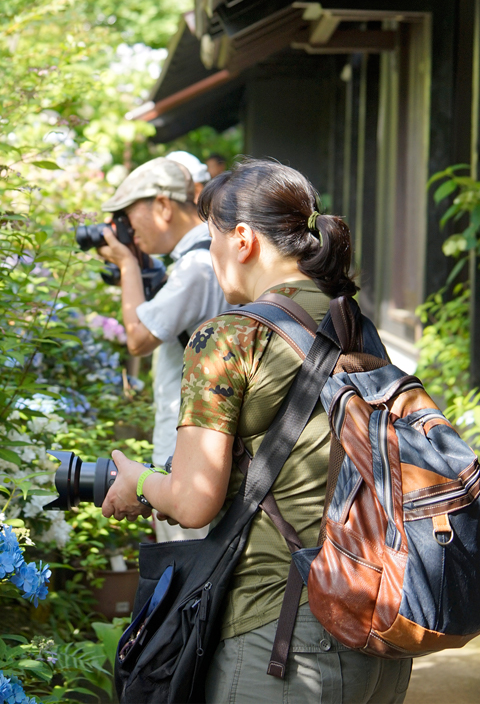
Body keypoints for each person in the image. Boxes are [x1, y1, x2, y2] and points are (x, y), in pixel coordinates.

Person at [101, 158, 413, 703]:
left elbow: (193, 502)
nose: (210, 251)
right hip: (376, 631)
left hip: (283, 640)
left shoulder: (227, 338)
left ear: (242, 239)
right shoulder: (354, 323)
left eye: (213, 237)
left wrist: (139, 481)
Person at [98, 157, 228, 542]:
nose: (125, 228)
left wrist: (127, 265)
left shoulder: (197, 266)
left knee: (185, 559)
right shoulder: (202, 257)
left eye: (127, 215)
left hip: (188, 447)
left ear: (163, 206)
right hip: (196, 440)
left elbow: (138, 338)